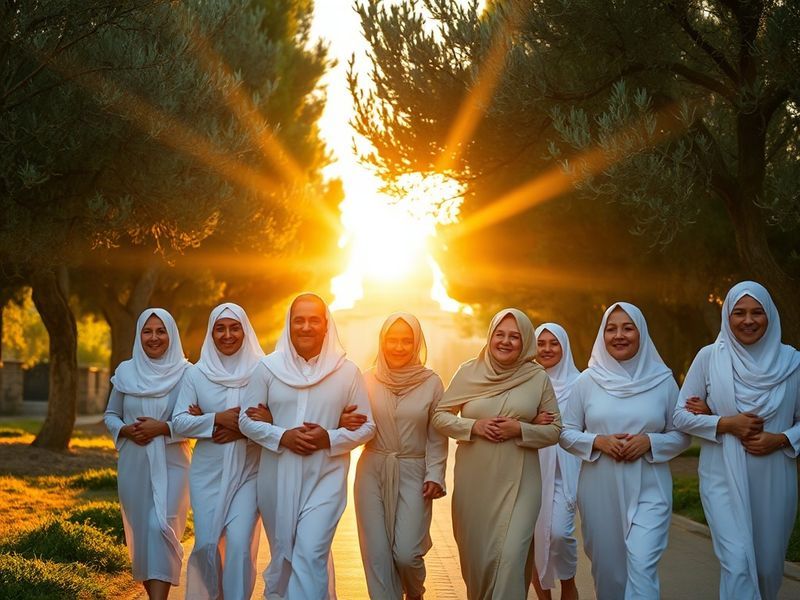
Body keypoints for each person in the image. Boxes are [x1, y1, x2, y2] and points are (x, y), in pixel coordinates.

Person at [238, 292, 375, 599]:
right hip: (276, 479)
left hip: (325, 477)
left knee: (310, 552)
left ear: (326, 326)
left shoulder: (346, 371)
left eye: (314, 320)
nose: (306, 327)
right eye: (299, 320)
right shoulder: (268, 369)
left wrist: (329, 436)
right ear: (289, 325)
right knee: (285, 555)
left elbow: (368, 426)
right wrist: (281, 435)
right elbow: (247, 421)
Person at [672, 281, 800, 600]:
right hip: (721, 475)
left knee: (768, 569)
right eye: (739, 312)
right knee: (738, 562)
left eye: (757, 312)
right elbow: (680, 416)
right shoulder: (709, 358)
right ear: (727, 317)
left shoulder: (793, 363)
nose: (748, 320)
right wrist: (726, 422)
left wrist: (781, 438)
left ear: (770, 316)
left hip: (774, 477)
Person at [560, 302, 689, 599]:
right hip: (599, 489)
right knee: (610, 574)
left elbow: (681, 434)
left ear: (641, 333)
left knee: (642, 566)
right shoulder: (587, 382)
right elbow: (565, 433)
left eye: (628, 328)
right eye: (611, 328)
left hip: (650, 487)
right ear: (602, 335)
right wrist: (597, 442)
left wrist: (651, 442)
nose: (619, 335)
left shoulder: (662, 380)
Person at [432, 308, 562, 600]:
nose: (505, 341)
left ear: (525, 340)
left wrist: (520, 429)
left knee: (511, 557)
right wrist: (474, 426)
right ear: (490, 337)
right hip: (475, 483)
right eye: (499, 334)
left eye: (514, 336)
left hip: (521, 483)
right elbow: (440, 417)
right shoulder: (468, 372)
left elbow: (555, 430)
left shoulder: (537, 377)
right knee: (478, 562)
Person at [171, 302, 264, 600]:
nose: (227, 335)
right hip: (207, 472)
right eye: (220, 328)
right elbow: (180, 421)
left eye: (234, 327)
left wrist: (238, 427)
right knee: (207, 545)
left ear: (245, 330)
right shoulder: (196, 374)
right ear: (211, 333)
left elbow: (274, 415)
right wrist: (216, 420)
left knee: (238, 543)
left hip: (250, 471)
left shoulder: (263, 370)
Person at [353, 313, 448, 600]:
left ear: (417, 343)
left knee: (407, 553)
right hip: (372, 469)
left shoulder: (431, 383)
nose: (398, 347)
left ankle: (415, 593)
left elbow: (437, 435)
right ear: (382, 342)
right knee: (378, 556)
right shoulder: (366, 379)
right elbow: (347, 416)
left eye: (407, 341)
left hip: (414, 471)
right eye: (391, 340)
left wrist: (435, 474)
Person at [104, 308, 191, 600]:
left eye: (161, 331)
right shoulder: (125, 371)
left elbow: (192, 423)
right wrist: (126, 431)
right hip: (134, 464)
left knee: (161, 527)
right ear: (139, 334)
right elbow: (111, 414)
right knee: (142, 536)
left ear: (171, 334)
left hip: (173, 462)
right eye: (148, 331)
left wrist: (162, 428)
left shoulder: (187, 374)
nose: (154, 338)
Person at [531, 323, 582, 600]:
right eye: (541, 343)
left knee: (561, 534)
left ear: (565, 346)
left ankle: (569, 584)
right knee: (534, 539)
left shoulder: (582, 383)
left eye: (554, 343)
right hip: (531, 470)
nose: (547, 349)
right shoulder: (526, 380)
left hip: (564, 471)